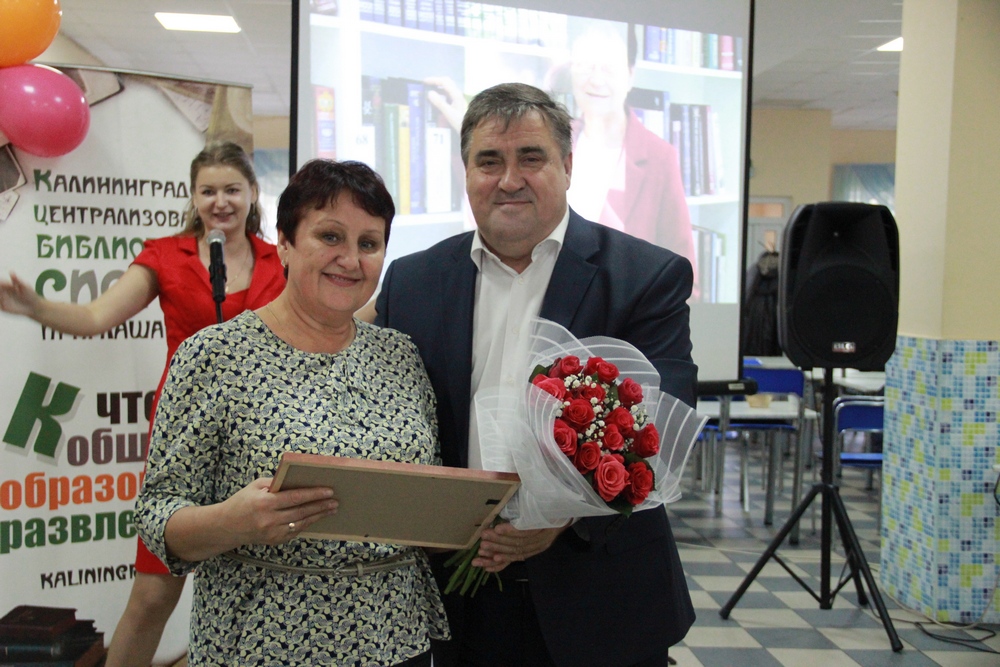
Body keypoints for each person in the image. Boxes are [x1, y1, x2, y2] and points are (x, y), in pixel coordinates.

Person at [366, 83, 696, 667]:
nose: (509, 179)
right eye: (489, 161)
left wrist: (560, 517)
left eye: (531, 157)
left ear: (567, 165)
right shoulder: (412, 282)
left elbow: (658, 429)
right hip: (459, 603)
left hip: (600, 599)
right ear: (467, 171)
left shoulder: (645, 277)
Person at [134, 159, 448, 666]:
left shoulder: (400, 356)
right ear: (283, 242)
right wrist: (231, 522)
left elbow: (426, 494)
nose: (350, 259)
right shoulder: (214, 355)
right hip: (264, 642)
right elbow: (157, 514)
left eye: (369, 243)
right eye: (330, 236)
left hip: (396, 638)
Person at [0, 141, 285, 667]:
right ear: (193, 196)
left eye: (231, 189)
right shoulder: (164, 255)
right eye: (207, 191)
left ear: (252, 193)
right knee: (153, 595)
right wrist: (34, 306)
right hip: (184, 436)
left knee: (265, 589)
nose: (220, 201)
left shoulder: (279, 258)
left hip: (262, 434)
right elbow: (95, 317)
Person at [565, 22, 700, 300]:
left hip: (629, 316)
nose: (596, 80)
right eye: (586, 66)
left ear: (630, 76)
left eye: (609, 68)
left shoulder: (660, 157)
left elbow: (685, 275)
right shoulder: (554, 146)